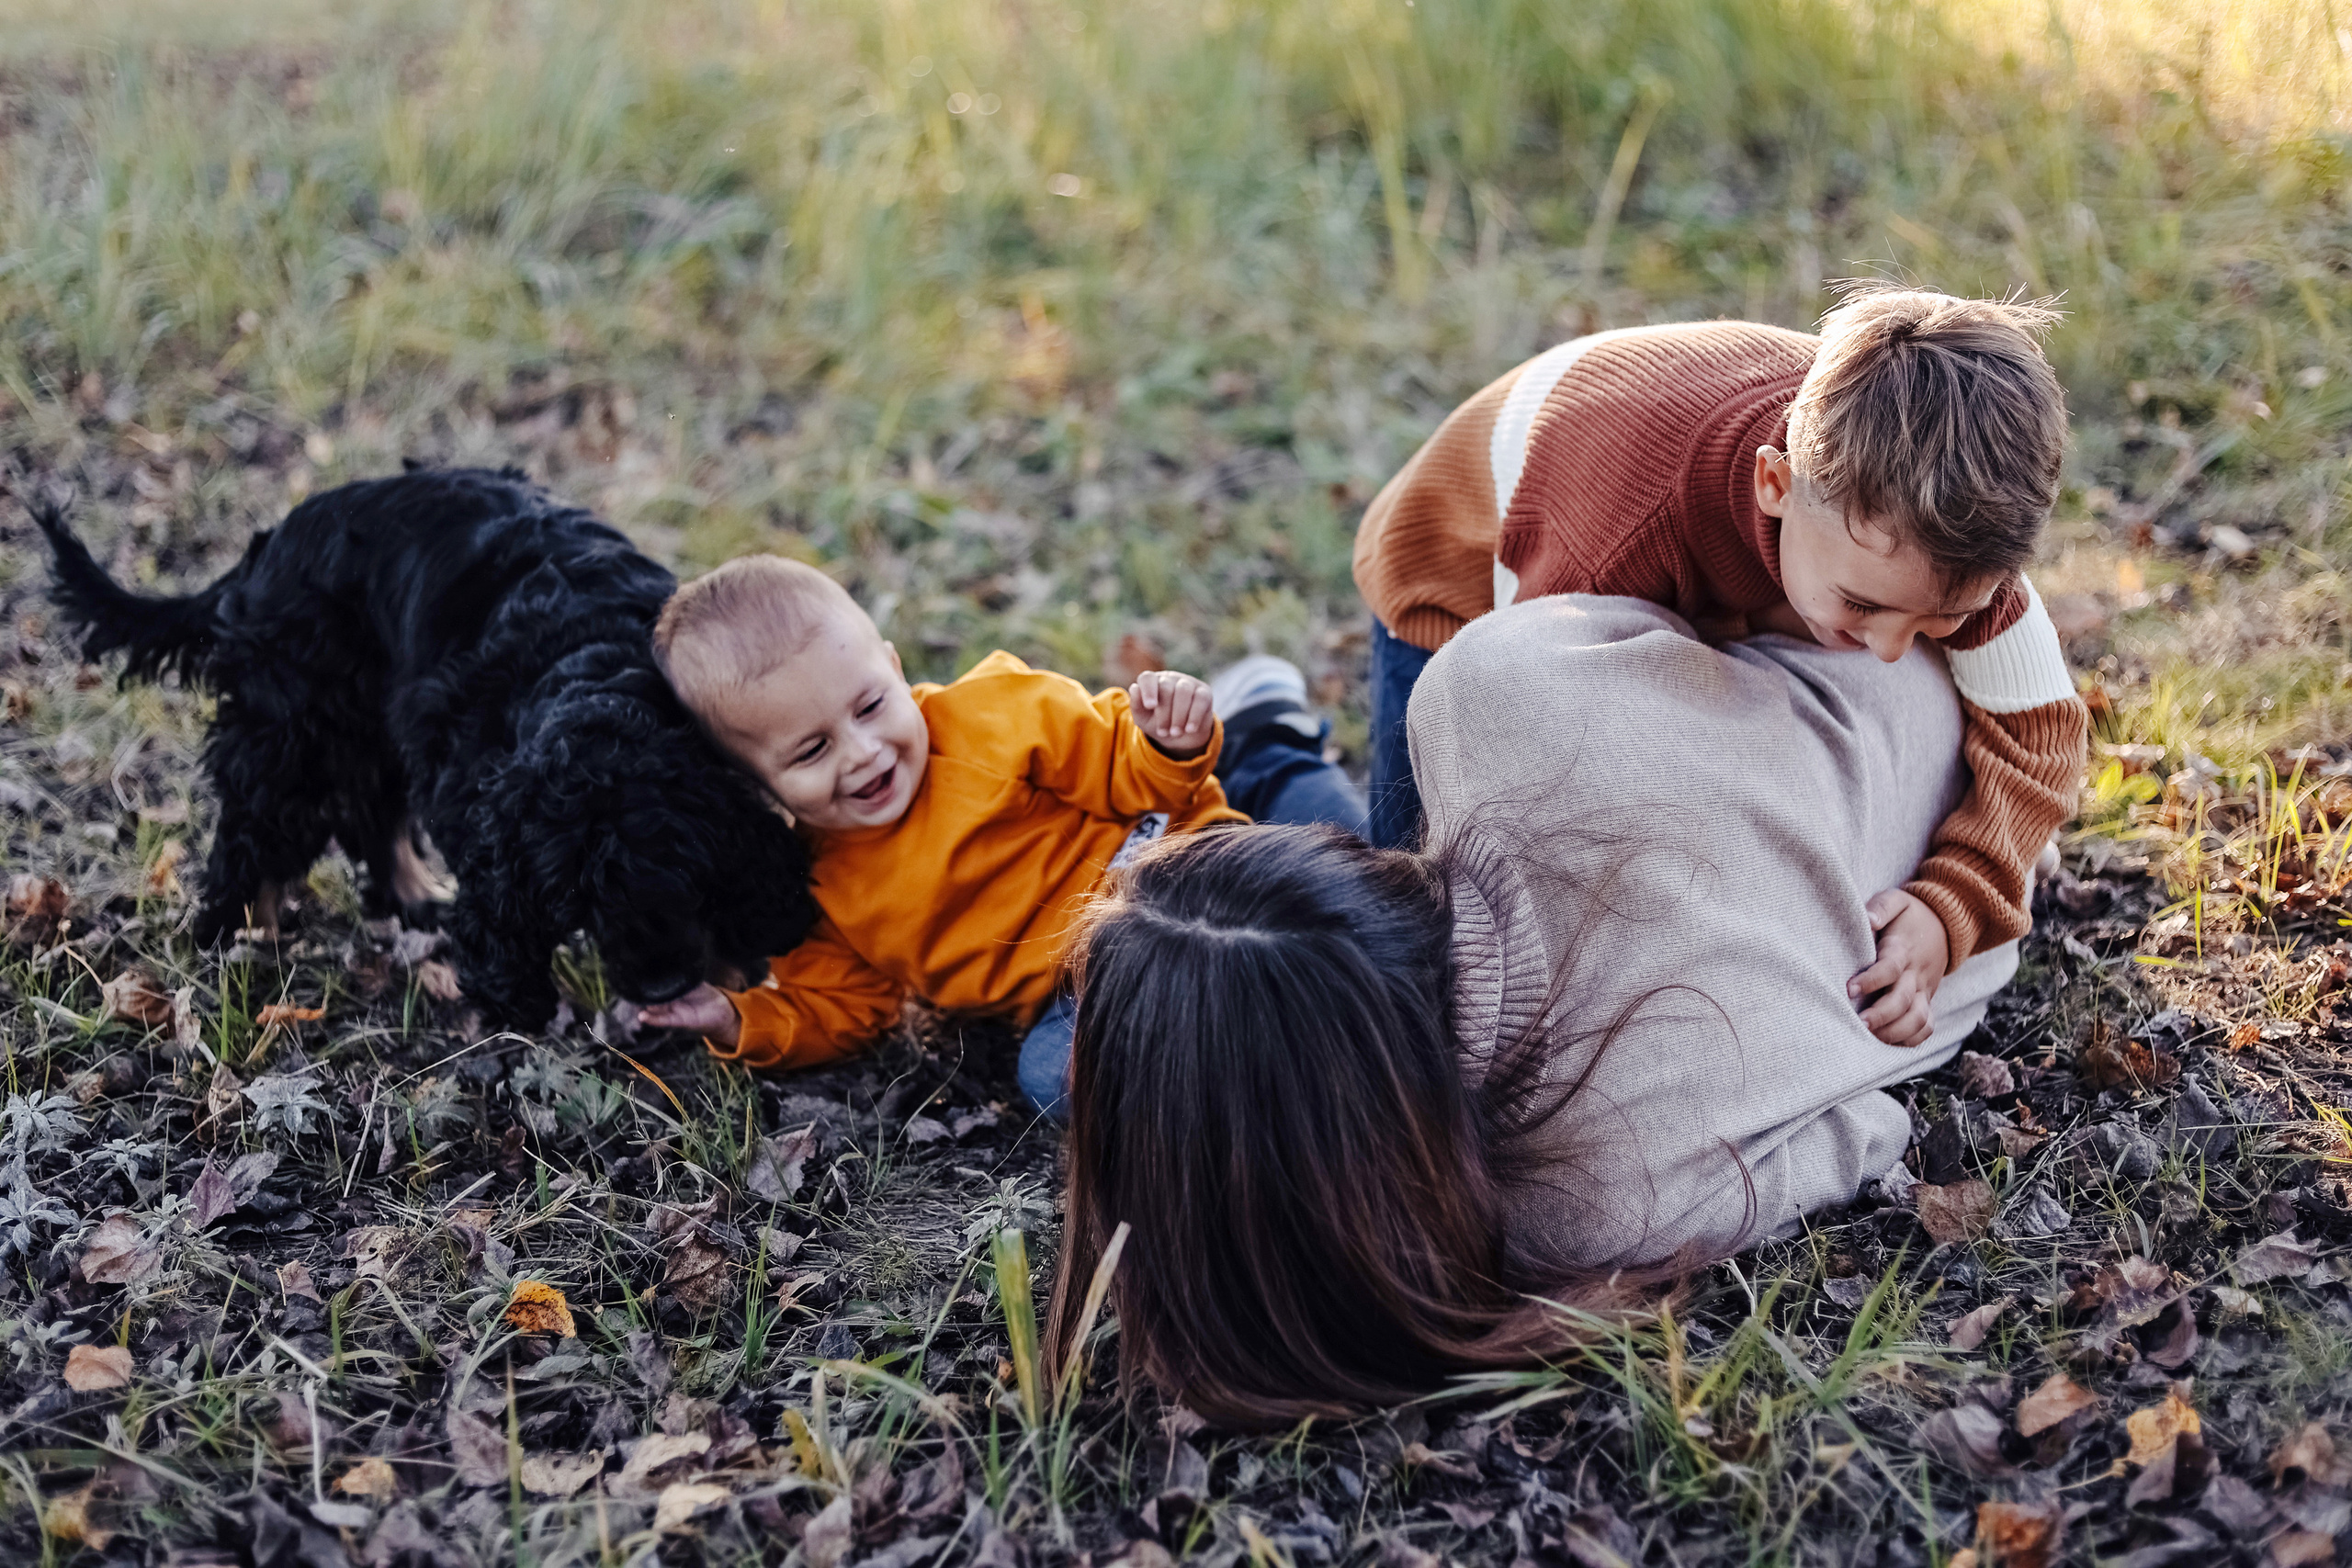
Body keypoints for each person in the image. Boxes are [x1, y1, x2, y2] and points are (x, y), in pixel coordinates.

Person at [1046, 594, 2023, 1427]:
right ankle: (1272, 746)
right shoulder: (1485, 685)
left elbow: (1868, 1124)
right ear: (1342, 864)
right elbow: (1685, 608)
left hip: (1993, 875)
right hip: (1957, 685)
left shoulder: (1594, 1208)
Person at [1350, 285, 2086, 1045]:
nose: (1895, 649)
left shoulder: (1934, 533)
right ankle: (1276, 754)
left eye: (1944, 621)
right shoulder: (1617, 542)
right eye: (1862, 607)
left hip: (1684, 552)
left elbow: (2043, 738)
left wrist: (1949, 906)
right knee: (1416, 904)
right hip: (1457, 573)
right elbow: (1517, 750)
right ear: (1777, 485)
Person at [634, 555, 1362, 1103]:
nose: (863, 753)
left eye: (869, 706)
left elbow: (1121, 765)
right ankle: (1265, 1065)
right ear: (759, 783)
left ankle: (1269, 747)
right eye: (812, 750)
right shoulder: (821, 886)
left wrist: (1165, 747)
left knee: (1350, 869)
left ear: (892, 666)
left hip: (1185, 856)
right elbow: (840, 1009)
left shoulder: (991, 717)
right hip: (1088, 986)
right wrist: (737, 1019)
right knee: (1053, 1077)